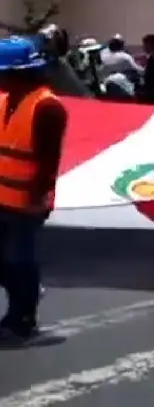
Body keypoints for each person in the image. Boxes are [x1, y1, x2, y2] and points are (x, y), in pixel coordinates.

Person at [0, 37, 68, 342]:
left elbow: (48, 161)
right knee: (5, 262)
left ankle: (22, 320)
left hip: (27, 202)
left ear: (21, 73)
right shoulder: (3, 101)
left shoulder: (48, 108)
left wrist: (38, 198)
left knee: (20, 260)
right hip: (1, 198)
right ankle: (22, 302)